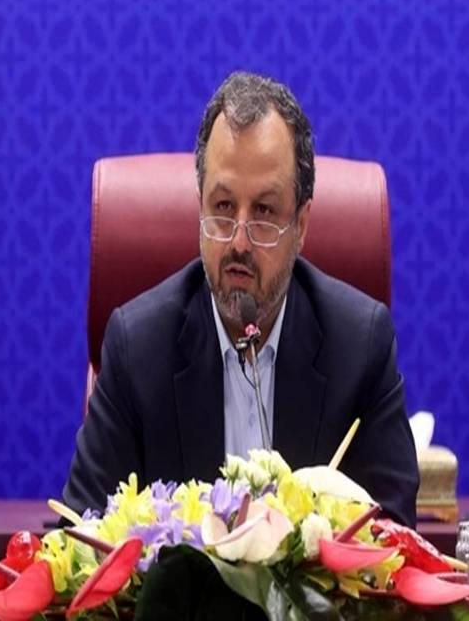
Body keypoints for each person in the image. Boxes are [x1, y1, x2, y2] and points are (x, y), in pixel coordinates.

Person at [63, 72, 420, 525]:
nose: (238, 241)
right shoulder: (138, 348)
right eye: (223, 207)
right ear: (200, 206)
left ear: (301, 225)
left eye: (264, 212)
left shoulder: (360, 346)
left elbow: (391, 537)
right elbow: (83, 532)